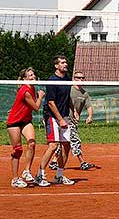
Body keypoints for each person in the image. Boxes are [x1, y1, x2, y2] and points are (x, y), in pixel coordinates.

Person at [34, 55, 75, 187]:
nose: (65, 64)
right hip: (52, 116)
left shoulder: (67, 80)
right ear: (56, 66)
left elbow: (67, 98)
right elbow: (51, 103)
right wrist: (60, 119)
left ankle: (59, 175)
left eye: (66, 62)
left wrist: (73, 111)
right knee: (53, 145)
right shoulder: (52, 80)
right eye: (62, 62)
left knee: (66, 146)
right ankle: (39, 175)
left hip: (64, 116)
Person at [49, 71, 95, 171]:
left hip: (73, 121)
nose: (81, 80)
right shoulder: (69, 89)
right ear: (74, 79)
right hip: (65, 118)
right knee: (75, 140)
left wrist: (90, 116)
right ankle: (82, 162)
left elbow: (89, 106)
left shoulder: (85, 93)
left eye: (82, 78)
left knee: (65, 142)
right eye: (78, 78)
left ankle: (53, 161)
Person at [6, 68, 45, 188]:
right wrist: (40, 97)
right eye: (30, 75)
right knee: (18, 150)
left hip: (25, 121)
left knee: (32, 143)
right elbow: (36, 107)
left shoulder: (31, 87)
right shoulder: (25, 90)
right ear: (24, 78)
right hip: (14, 122)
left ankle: (27, 171)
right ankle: (15, 179)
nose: (33, 76)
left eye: (34, 74)